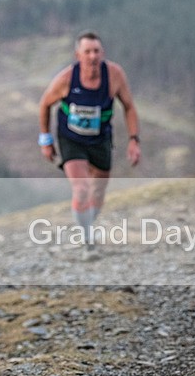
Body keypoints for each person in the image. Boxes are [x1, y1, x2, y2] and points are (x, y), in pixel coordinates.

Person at [37, 30, 141, 258]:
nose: (92, 56)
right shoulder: (66, 79)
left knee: (98, 192)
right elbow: (45, 104)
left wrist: (134, 140)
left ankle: (86, 224)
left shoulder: (114, 75)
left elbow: (129, 106)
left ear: (102, 53)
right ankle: (87, 241)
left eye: (96, 51)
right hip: (71, 138)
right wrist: (45, 139)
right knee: (82, 188)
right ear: (78, 55)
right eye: (87, 52)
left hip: (101, 139)